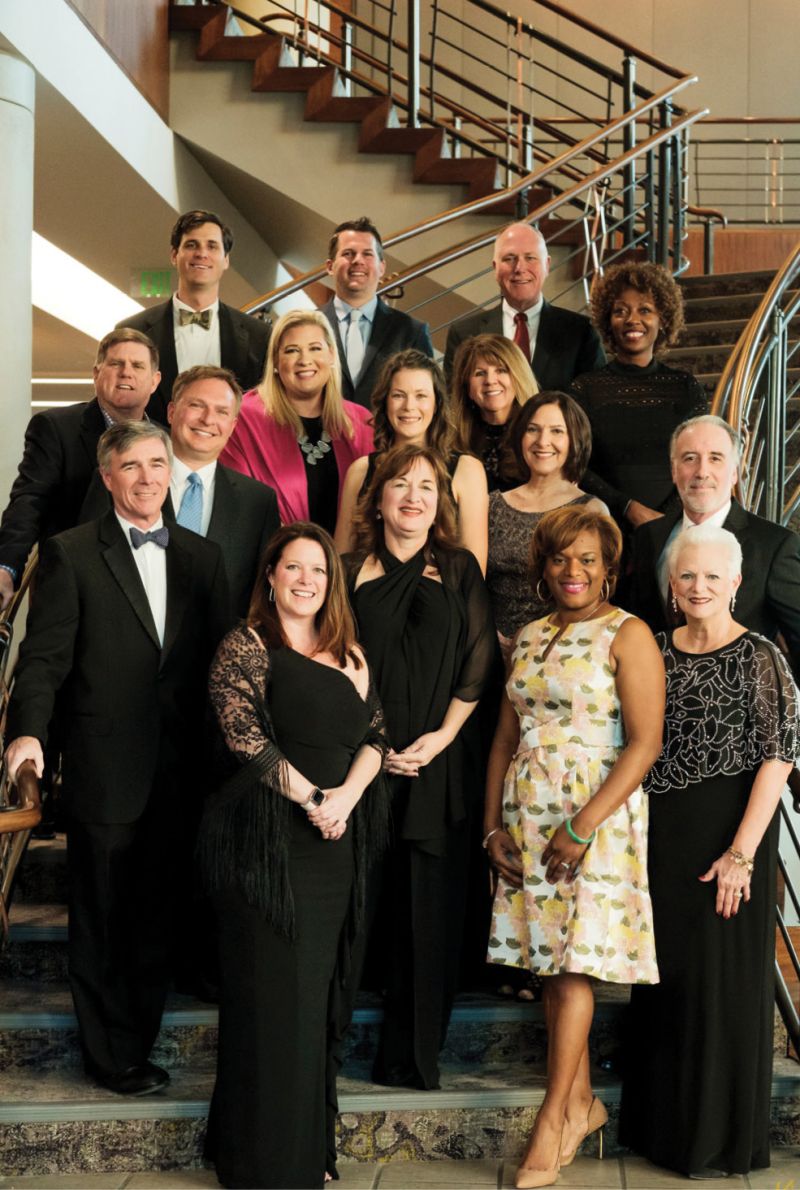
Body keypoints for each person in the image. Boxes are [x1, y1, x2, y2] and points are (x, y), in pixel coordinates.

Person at [4, 421, 229, 1096]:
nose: (147, 477)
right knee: (101, 918)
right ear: (108, 477)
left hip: (181, 769)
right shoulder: (70, 554)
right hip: (104, 765)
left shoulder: (203, 558)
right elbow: (42, 662)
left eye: (157, 464)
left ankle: (137, 1040)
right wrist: (28, 736)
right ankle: (110, 1056)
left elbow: (224, 671)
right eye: (131, 466)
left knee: (156, 915)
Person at [197, 523, 388, 1189]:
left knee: (314, 1000)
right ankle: (258, 1160)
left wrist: (345, 800)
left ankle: (305, 1151)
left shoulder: (353, 656)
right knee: (268, 999)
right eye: (294, 568)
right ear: (271, 576)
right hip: (265, 852)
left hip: (334, 845)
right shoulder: (245, 647)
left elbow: (376, 737)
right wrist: (312, 797)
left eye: (319, 570)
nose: (307, 579)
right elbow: (244, 736)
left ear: (332, 583)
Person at [484, 506, 664, 1189]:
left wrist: (583, 824)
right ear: (543, 567)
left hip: (595, 815)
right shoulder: (528, 637)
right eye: (561, 558)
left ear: (609, 568)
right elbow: (504, 738)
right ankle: (583, 1104)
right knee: (551, 968)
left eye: (587, 559)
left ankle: (553, 1116)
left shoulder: (629, 633)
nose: (573, 571)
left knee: (575, 966)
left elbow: (644, 742)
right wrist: (491, 827)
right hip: (527, 814)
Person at [620, 523, 799, 1177]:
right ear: (671, 584)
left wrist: (743, 855)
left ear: (737, 583)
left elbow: (780, 758)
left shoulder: (760, 657)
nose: (699, 586)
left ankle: (719, 1141)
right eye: (687, 575)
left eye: (712, 576)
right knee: (666, 984)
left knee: (721, 988)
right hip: (661, 838)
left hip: (732, 839)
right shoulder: (651, 651)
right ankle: (661, 1131)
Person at [345, 443, 496, 1090]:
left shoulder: (458, 568)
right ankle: (323, 1049)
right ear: (376, 498)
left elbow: (480, 657)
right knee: (355, 912)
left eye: (426, 487)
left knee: (427, 917)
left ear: (441, 504)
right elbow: (331, 661)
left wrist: (441, 739)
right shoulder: (345, 568)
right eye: (400, 485)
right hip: (358, 765)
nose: (412, 496)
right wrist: (371, 746)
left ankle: (411, 1058)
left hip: (437, 762)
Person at [0, 328, 161, 610]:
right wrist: (7, 567)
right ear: (96, 374)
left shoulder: (166, 441)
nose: (126, 372)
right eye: (115, 364)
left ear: (154, 381)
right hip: (69, 592)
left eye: (137, 366)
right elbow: (28, 502)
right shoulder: (55, 428)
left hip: (147, 596)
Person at [631, 415, 800, 678]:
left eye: (715, 458)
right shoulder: (647, 538)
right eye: (690, 458)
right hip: (653, 705)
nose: (702, 472)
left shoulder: (775, 546)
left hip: (738, 709)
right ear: (674, 471)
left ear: (734, 472)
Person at [571, 261, 708, 532]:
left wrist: (664, 519)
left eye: (645, 310)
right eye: (621, 311)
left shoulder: (686, 387)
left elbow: (700, 459)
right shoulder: (584, 388)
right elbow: (574, 465)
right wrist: (627, 507)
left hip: (677, 528)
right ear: (608, 321)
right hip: (603, 528)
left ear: (663, 319)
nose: (633, 319)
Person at [219, 310, 373, 533]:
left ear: (331, 355)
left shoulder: (362, 422)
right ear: (275, 361)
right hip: (273, 556)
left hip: (351, 561)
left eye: (315, 348)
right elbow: (239, 503)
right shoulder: (244, 418)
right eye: (292, 351)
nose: (304, 360)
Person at [334, 349, 489, 569]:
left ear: (437, 405)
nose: (409, 406)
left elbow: (475, 569)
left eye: (421, 396)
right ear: (385, 401)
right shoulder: (360, 471)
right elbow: (341, 560)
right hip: (368, 598)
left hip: (442, 599)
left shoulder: (467, 470)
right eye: (398, 395)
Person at [121, 209, 271, 425]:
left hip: (232, 456)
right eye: (191, 245)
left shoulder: (260, 336)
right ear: (174, 255)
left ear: (226, 260)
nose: (202, 253)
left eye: (212, 246)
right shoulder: (133, 331)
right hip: (156, 454)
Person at [487, 392, 608, 653]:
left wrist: (538, 641)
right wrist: (487, 636)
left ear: (575, 440)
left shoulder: (590, 509)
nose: (543, 441)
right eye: (533, 429)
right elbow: (470, 581)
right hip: (487, 648)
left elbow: (596, 598)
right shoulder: (491, 505)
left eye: (556, 431)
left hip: (561, 652)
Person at [165, 365, 280, 617]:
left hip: (222, 651)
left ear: (233, 424)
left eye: (221, 411)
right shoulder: (128, 481)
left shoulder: (259, 502)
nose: (208, 419)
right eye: (197, 405)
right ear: (172, 412)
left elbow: (262, 593)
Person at [443, 222, 605, 387]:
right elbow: (455, 404)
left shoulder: (581, 333)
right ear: (495, 268)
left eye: (530, 258)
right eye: (509, 259)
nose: (520, 268)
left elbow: (593, 403)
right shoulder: (463, 334)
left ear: (547, 265)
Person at [320, 216, 434, 408]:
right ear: (330, 267)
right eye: (348, 253)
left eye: (367, 254)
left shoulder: (411, 332)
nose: (358, 261)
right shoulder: (308, 327)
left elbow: (427, 398)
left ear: (382, 268)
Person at [450, 333, 538, 492]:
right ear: (467, 387)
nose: (490, 380)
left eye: (501, 370)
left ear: (519, 377)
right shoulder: (452, 443)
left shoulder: (539, 437)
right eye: (480, 373)